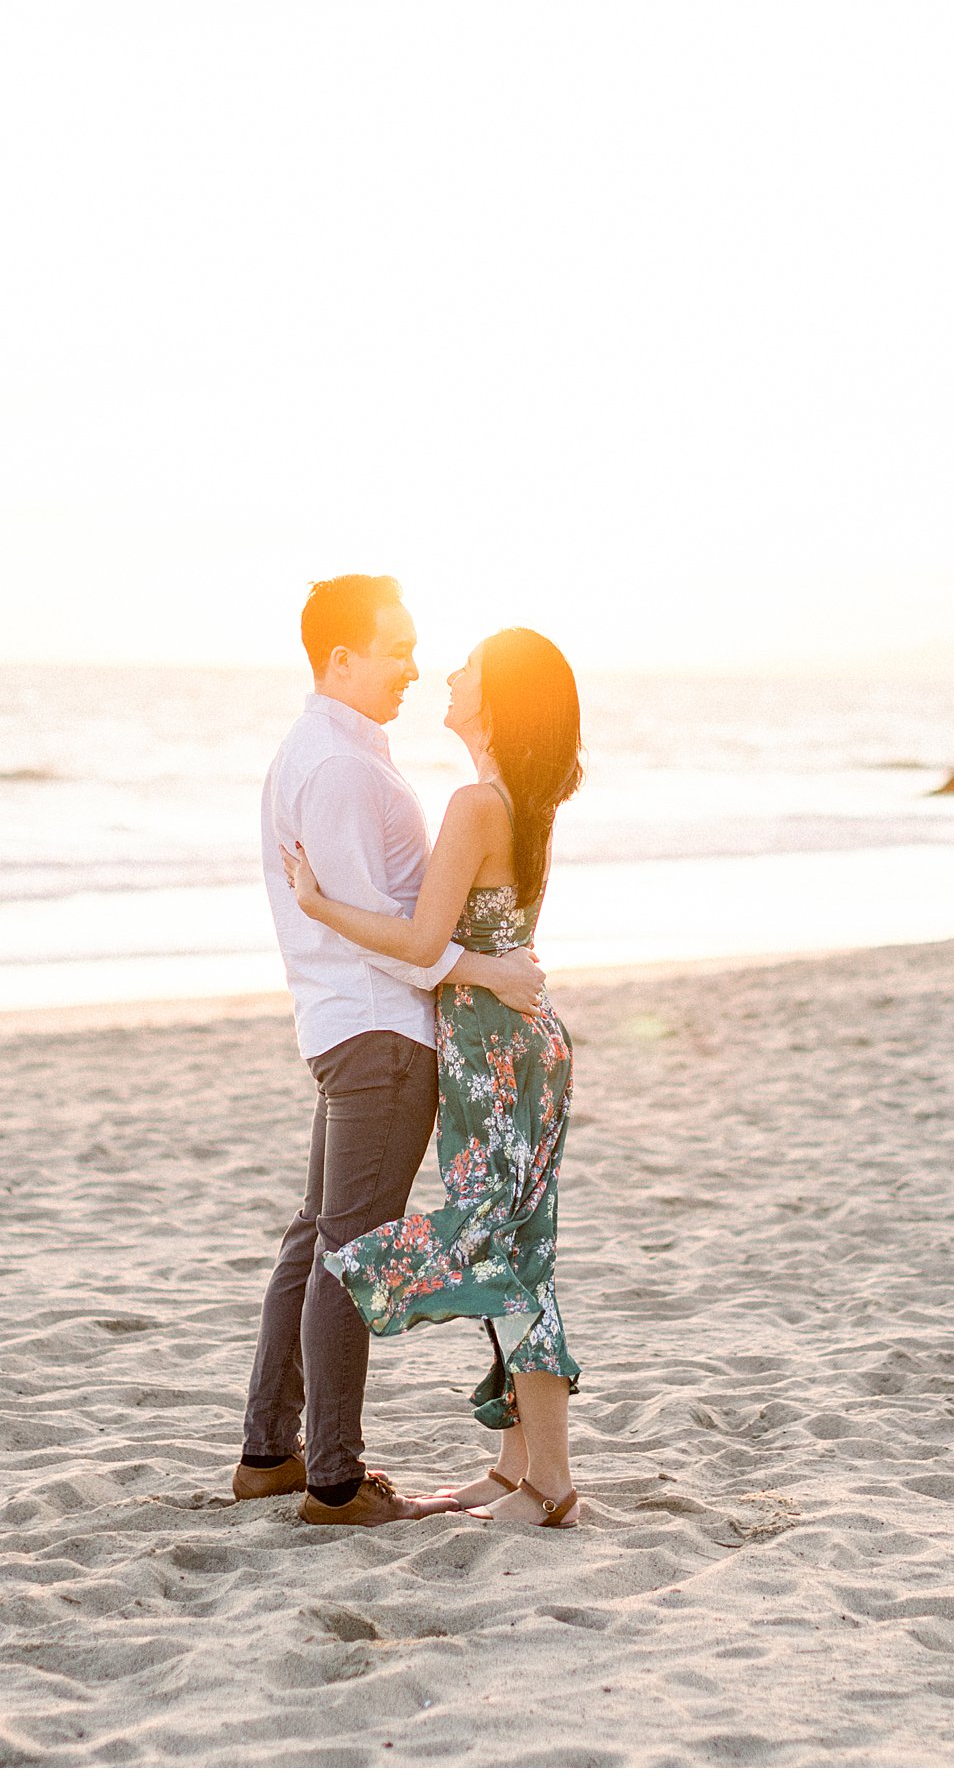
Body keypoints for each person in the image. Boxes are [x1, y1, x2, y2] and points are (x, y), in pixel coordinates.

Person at [235, 575, 550, 1528]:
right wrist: (486, 972)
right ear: (341, 657)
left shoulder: (340, 755)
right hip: (378, 1033)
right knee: (346, 1249)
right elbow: (384, 932)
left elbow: (373, 920)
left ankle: (267, 1454)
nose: (413, 666)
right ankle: (334, 1478)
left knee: (313, 1238)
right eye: (397, 648)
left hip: (352, 1030)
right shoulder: (337, 767)